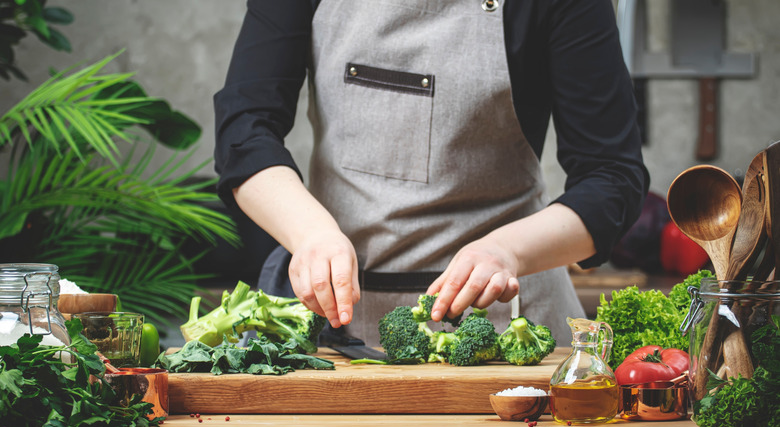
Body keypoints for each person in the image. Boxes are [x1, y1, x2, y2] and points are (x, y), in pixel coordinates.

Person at [214, 0, 649, 345]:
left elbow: (613, 177)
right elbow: (244, 131)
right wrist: (310, 235)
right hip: (330, 327)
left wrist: (506, 251)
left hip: (506, 324)